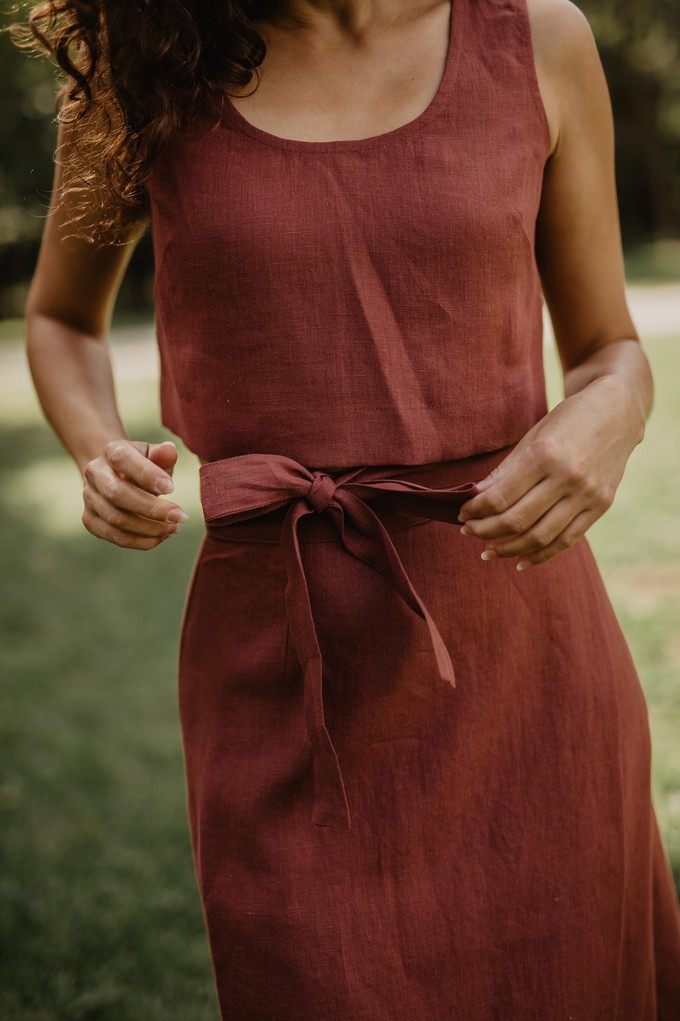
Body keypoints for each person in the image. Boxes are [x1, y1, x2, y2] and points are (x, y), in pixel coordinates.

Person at [15, 0, 680, 1017]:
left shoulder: (537, 38)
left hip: (519, 647)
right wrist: (99, 445)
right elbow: (63, 317)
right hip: (279, 661)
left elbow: (608, 347)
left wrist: (609, 417)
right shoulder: (138, 61)